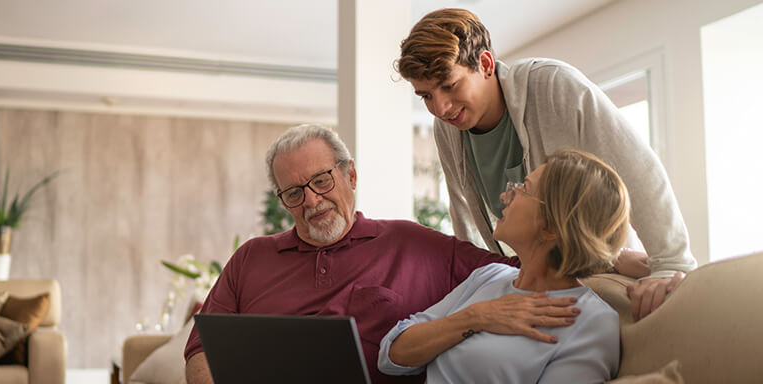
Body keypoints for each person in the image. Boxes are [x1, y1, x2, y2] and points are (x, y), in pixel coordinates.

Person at [183, 124, 582, 384]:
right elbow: (200, 348)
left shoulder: (415, 244)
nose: (312, 201)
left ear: (350, 175)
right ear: (284, 200)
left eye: (321, 181)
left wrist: (617, 264)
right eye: (294, 192)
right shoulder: (252, 257)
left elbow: (525, 269)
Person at [397, 8, 695, 321]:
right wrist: (478, 293)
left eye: (449, 85)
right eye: (426, 96)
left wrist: (670, 264)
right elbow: (465, 221)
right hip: (529, 284)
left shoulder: (553, 85)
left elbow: (638, 168)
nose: (440, 107)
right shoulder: (448, 130)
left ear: (484, 64)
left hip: (597, 276)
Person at [379, 150, 628, 383]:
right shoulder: (490, 276)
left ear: (553, 226)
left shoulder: (592, 321)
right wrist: (476, 317)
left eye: (524, 189)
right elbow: (392, 355)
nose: (504, 196)